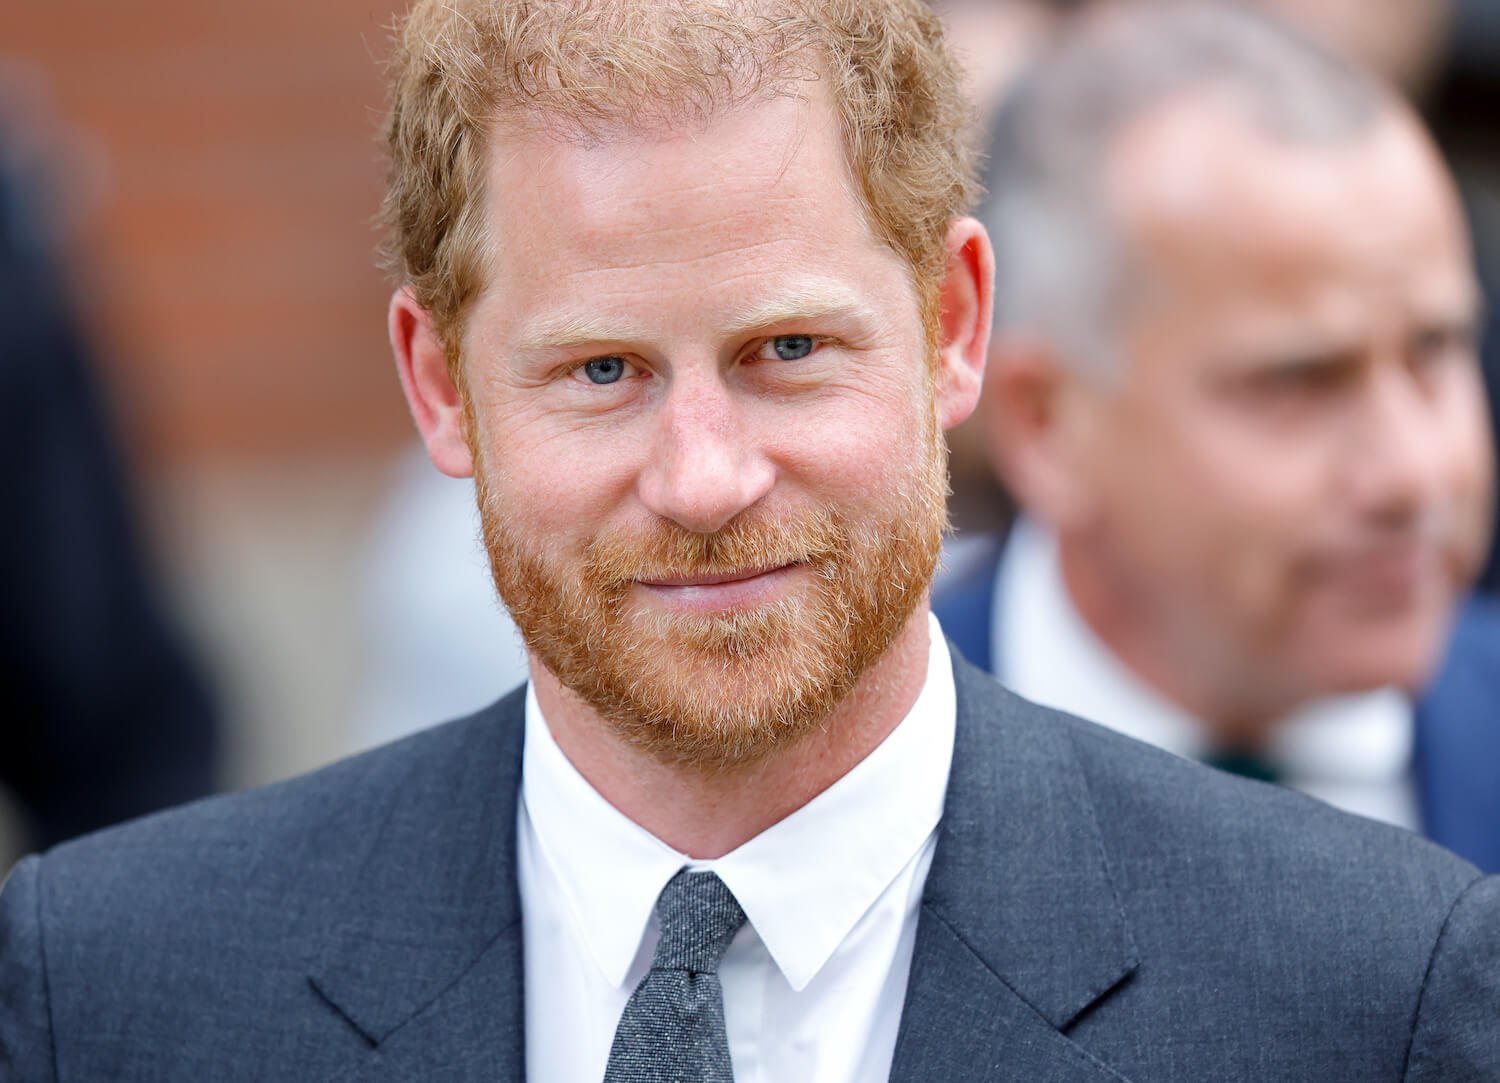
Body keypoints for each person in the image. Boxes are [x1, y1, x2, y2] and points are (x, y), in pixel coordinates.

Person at [2, 1, 1496, 1079]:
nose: (705, 478)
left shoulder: (1372, 990)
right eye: (602, 370)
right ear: (439, 383)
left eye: (787, 348)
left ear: (957, 325)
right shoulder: (114, 988)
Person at [934, 2, 1500, 872]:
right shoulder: (835, 775)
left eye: (1436, 351)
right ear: (1046, 421)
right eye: (1298, 382)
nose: (1413, 472)